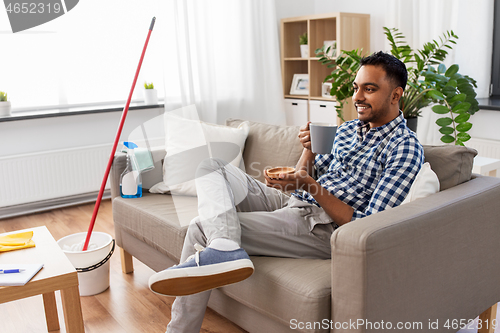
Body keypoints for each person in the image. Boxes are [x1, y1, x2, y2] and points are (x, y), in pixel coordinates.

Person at [149, 51, 424, 332]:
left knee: (201, 227)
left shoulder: (404, 146)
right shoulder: (348, 130)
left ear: (395, 95)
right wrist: (308, 151)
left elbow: (365, 225)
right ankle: (226, 248)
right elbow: (304, 176)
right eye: (356, 88)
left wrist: (310, 186)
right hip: (294, 201)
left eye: (370, 89)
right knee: (211, 167)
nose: (357, 97)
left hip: (323, 227)